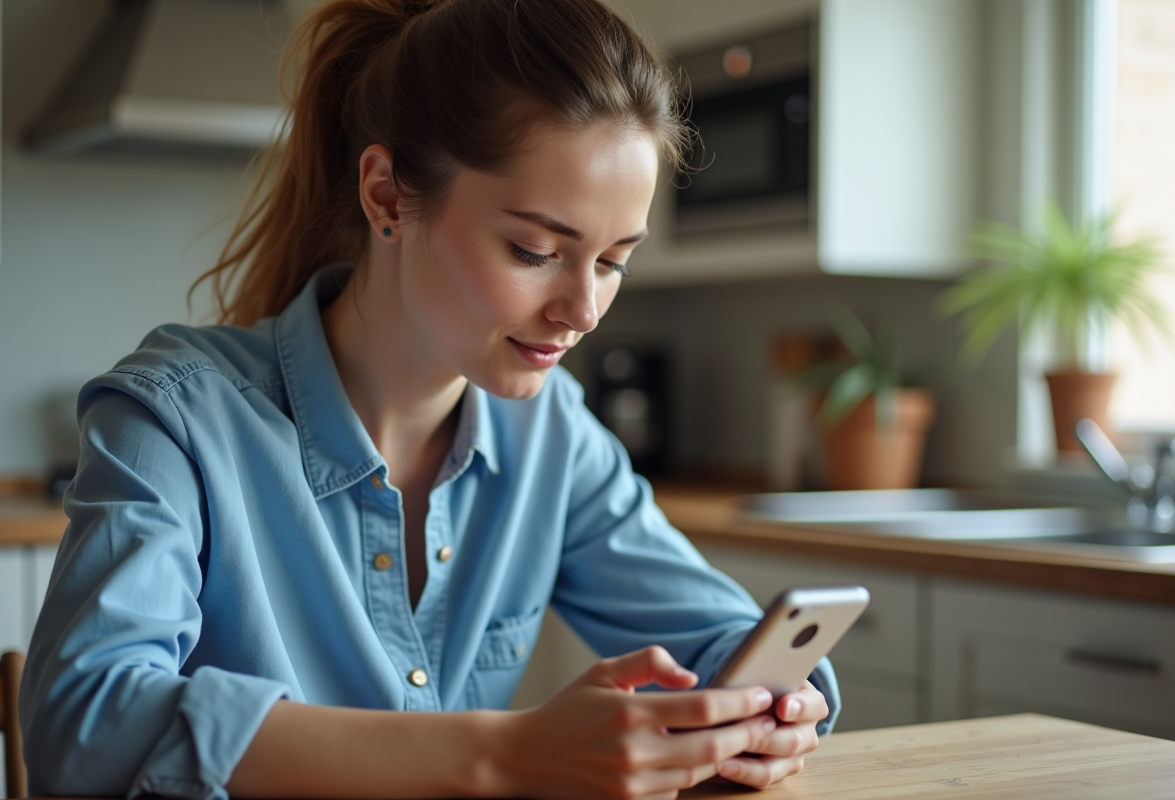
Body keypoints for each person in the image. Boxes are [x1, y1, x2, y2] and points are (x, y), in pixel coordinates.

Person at [19, 0, 840, 797]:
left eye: (614, 260)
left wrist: (781, 706)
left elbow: (725, 639)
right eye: (534, 249)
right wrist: (505, 753)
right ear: (386, 196)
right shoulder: (178, 419)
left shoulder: (552, 434)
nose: (583, 312)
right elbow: (81, 718)